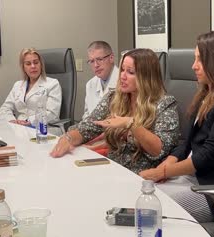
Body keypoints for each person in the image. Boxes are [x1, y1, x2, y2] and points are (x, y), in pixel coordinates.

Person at [140, 30, 214, 223]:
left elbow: (208, 155)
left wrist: (161, 173)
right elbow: (186, 143)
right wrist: (165, 165)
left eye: (200, 61)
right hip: (192, 181)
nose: (194, 66)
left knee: (149, 209)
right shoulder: (205, 96)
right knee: (140, 196)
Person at [50, 48, 179, 174]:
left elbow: (159, 150)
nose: (122, 76)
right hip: (111, 169)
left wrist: (131, 124)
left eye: (130, 72)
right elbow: (88, 127)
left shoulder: (165, 103)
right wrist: (68, 138)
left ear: (146, 76)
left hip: (142, 177)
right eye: (122, 70)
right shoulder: (113, 98)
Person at [0, 48, 62, 127]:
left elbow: (52, 114)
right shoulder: (18, 85)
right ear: (23, 67)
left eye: (36, 62)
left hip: (45, 129)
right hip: (20, 127)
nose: (33, 66)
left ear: (41, 64)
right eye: (28, 64)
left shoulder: (53, 84)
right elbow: (4, 108)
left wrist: (29, 122)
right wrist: (11, 121)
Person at [83, 41, 119, 120]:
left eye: (99, 59)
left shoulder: (123, 82)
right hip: (92, 130)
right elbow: (86, 115)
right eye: (92, 61)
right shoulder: (90, 84)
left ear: (111, 58)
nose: (96, 65)